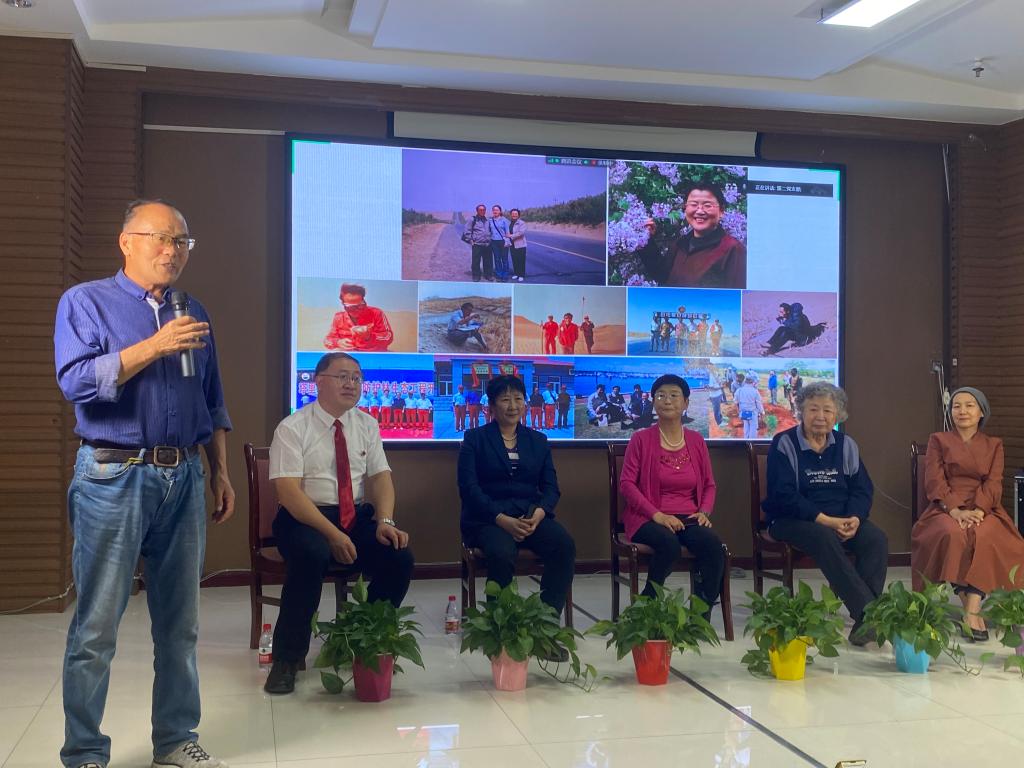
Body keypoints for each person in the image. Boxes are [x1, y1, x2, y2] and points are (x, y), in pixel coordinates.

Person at [54, 199, 235, 768]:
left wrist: (220, 470)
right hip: (113, 474)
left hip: (185, 475)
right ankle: (85, 751)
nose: (172, 251)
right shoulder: (85, 301)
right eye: (160, 237)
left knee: (181, 626)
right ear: (126, 241)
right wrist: (155, 345)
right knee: (97, 627)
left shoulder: (192, 309)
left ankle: (175, 739)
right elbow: (77, 382)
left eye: (182, 241)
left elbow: (212, 400)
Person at [264, 352, 413, 695]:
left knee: (398, 556)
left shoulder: (366, 424)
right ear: (318, 381)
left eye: (357, 378)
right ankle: (287, 659)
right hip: (303, 518)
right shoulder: (293, 427)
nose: (351, 384)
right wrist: (332, 534)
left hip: (353, 517)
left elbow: (381, 477)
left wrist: (385, 520)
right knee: (312, 554)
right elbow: (288, 492)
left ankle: (362, 639)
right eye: (342, 376)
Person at [457, 375, 575, 656]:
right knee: (501, 552)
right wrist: (501, 518)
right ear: (491, 405)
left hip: (529, 516)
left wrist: (539, 513)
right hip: (487, 519)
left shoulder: (538, 440)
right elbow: (468, 489)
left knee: (563, 545)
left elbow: (551, 488)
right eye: (505, 399)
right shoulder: (475, 439)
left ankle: (544, 631)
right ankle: (502, 633)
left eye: (518, 399)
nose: (513, 406)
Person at [762, 382, 887, 644]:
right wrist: (826, 521)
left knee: (876, 539)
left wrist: (855, 518)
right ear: (801, 411)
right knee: (823, 536)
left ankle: (864, 622)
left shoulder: (846, 445)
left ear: (837, 414)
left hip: (842, 518)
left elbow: (862, 489)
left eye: (827, 410)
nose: (820, 416)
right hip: (791, 519)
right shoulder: (784, 443)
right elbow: (783, 495)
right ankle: (870, 615)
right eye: (813, 409)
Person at [911, 388, 1024, 641]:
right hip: (945, 506)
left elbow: (993, 482)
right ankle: (972, 612)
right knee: (952, 533)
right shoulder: (938, 440)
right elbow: (934, 480)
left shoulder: (994, 445)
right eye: (956, 406)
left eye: (969, 405)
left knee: (985, 535)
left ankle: (971, 608)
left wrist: (979, 511)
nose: (962, 411)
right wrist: (954, 509)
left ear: (981, 412)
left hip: (985, 507)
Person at [619, 375, 726, 614]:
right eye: (661, 395)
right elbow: (627, 484)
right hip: (648, 518)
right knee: (669, 545)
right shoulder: (640, 439)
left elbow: (709, 484)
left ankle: (699, 617)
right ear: (653, 402)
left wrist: (704, 511)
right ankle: (645, 609)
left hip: (688, 517)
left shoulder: (696, 440)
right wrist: (657, 515)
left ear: (686, 403)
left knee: (712, 546)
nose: (667, 400)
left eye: (674, 395)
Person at [663, 182, 747, 288]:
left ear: (721, 211)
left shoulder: (733, 249)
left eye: (707, 205)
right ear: (685, 208)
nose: (699, 211)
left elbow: (736, 294)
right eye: (693, 205)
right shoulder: (680, 244)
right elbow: (663, 278)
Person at [324, 283, 394, 351]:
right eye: (351, 308)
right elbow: (327, 340)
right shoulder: (339, 317)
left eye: (360, 306)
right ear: (343, 305)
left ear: (364, 301)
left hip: (372, 354)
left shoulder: (376, 313)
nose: (356, 310)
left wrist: (369, 336)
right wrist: (338, 342)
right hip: (349, 356)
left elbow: (388, 337)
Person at [762, 302, 826, 355]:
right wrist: (782, 319)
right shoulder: (791, 314)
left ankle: (772, 350)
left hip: (804, 339)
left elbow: (797, 326)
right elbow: (792, 325)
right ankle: (770, 343)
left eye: (782, 312)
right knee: (781, 328)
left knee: (787, 334)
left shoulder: (797, 316)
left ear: (787, 311)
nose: (780, 313)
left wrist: (784, 321)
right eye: (780, 311)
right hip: (799, 334)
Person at [464, 203, 493, 282]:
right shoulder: (472, 219)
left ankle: (488, 275)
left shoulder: (487, 220)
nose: (482, 211)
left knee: (488, 261)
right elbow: (467, 231)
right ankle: (476, 276)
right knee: (476, 261)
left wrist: (490, 239)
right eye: (480, 210)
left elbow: (490, 230)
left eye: (484, 210)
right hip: (477, 244)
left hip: (487, 244)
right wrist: (470, 240)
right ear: (477, 211)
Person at [733, 373, 763, 440]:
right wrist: (762, 412)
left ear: (745, 381)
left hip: (743, 412)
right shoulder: (755, 391)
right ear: (753, 382)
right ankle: (751, 443)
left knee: (746, 427)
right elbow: (758, 403)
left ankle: (746, 441)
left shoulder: (739, 390)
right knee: (753, 428)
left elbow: (735, 402)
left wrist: (738, 411)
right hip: (753, 413)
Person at [489, 204, 511, 282]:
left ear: (500, 211)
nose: (495, 211)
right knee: (497, 259)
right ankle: (499, 274)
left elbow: (507, 232)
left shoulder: (504, 220)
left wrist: (507, 241)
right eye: (494, 210)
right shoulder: (490, 220)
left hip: (503, 241)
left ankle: (505, 275)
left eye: (497, 210)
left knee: (504, 259)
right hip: (494, 242)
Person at [507, 207, 528, 282]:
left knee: (521, 260)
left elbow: (521, 233)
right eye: (512, 214)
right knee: (514, 259)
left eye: (516, 214)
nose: (514, 215)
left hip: (520, 244)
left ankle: (521, 275)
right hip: (512, 244)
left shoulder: (522, 223)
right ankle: (516, 273)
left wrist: (511, 236)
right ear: (510, 215)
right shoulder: (509, 223)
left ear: (518, 215)